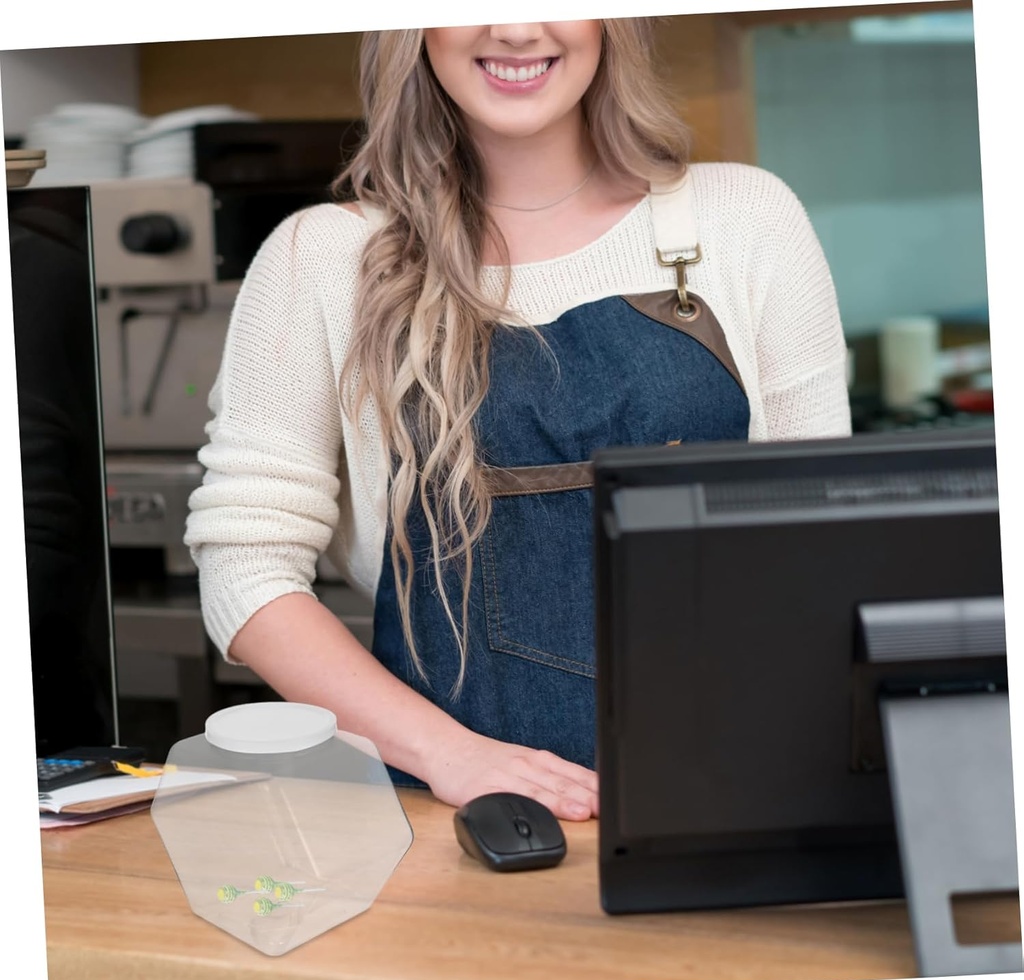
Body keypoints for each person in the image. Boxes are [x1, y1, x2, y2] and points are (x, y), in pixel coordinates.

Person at [184, 20, 851, 822]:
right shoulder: (321, 260)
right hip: (461, 817)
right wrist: (451, 755)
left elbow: (822, 540)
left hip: (739, 789)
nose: (515, 27)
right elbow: (245, 571)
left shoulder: (744, 218)